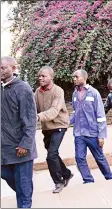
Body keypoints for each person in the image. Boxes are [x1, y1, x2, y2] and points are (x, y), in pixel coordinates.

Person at [1, 56, 37, 208]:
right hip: (5, 148)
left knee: (23, 185)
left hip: (21, 148)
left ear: (14, 69)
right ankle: (25, 193)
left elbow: (30, 119)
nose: (0, 71)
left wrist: (25, 144)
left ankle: (25, 202)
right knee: (10, 177)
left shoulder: (23, 89)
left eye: (3, 68)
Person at [70, 69, 112, 183]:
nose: (74, 79)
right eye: (73, 77)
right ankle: (88, 180)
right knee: (79, 158)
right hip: (79, 133)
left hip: (92, 133)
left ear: (84, 78)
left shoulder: (93, 93)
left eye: (76, 77)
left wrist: (101, 135)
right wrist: (66, 123)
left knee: (99, 157)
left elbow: (100, 115)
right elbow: (75, 112)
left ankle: (110, 177)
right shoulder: (74, 94)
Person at [34, 66, 73, 193]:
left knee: (51, 155)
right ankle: (66, 174)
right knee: (53, 153)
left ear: (51, 77)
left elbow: (54, 111)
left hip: (59, 126)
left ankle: (59, 181)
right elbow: (33, 108)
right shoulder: (37, 92)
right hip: (47, 127)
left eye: (43, 76)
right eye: (39, 76)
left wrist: (37, 117)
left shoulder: (58, 91)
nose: (40, 78)